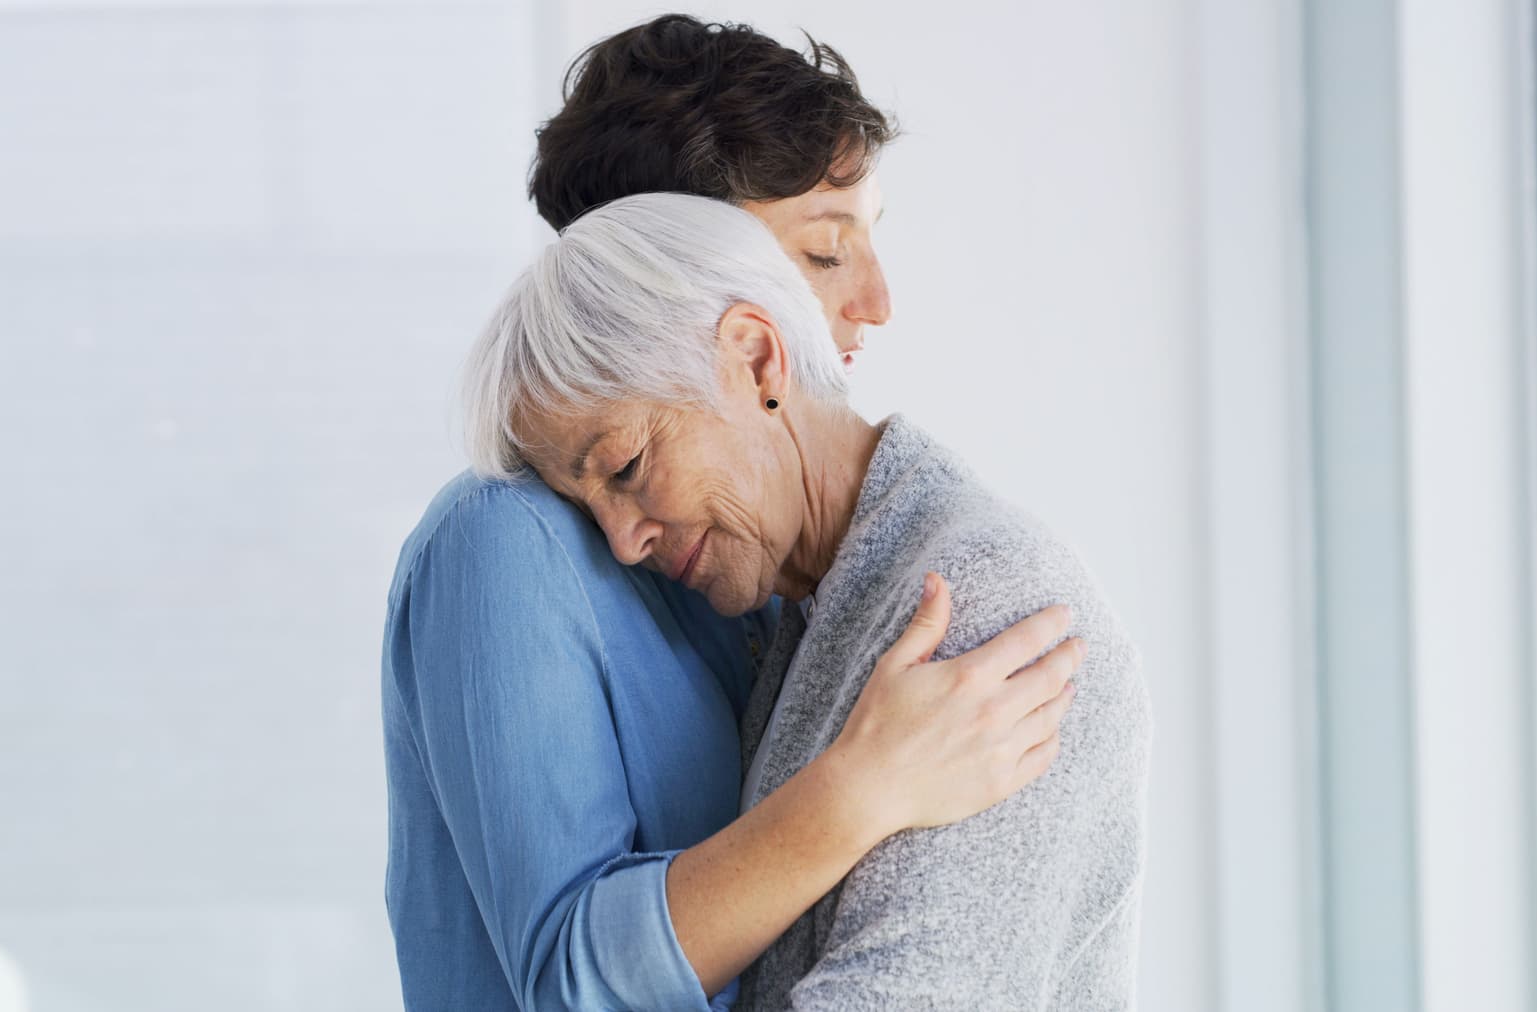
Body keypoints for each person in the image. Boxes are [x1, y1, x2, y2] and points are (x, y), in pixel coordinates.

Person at [382, 16, 1081, 1009]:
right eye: (825, 252)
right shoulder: (504, 542)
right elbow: (568, 980)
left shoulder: (773, 570)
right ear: (675, 263)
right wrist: (857, 790)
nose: (873, 302)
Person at [461, 191, 1151, 1010]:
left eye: (627, 469)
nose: (620, 543)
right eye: (588, 510)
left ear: (757, 361)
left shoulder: (980, 609)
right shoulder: (804, 616)